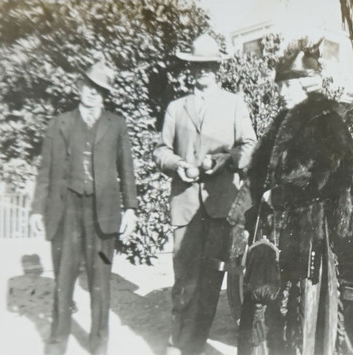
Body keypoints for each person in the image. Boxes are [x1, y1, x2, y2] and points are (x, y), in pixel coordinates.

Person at [228, 40, 353, 355]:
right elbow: (257, 176)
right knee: (264, 305)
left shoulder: (328, 121)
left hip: (306, 236)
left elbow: (333, 179)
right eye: (280, 84)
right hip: (271, 235)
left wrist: (283, 196)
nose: (282, 91)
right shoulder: (280, 123)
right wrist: (241, 219)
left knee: (301, 318)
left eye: (288, 84)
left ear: (307, 84)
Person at [153, 34, 257, 355]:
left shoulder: (234, 104)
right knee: (184, 281)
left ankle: (193, 346)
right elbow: (159, 150)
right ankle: (179, 344)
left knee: (212, 285)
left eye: (209, 65)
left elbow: (250, 146)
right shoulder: (175, 108)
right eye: (198, 66)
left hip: (220, 207)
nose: (203, 71)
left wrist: (226, 160)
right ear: (191, 68)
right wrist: (177, 164)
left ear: (218, 67)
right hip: (185, 206)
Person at [29, 53, 138, 355]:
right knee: (63, 283)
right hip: (66, 213)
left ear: (106, 95)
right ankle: (56, 345)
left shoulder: (117, 125)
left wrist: (131, 209)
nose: (93, 92)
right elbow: (45, 170)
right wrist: (37, 208)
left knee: (100, 286)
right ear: (80, 85)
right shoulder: (58, 124)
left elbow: (126, 169)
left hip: (102, 215)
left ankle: (98, 346)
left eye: (99, 89)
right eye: (89, 85)